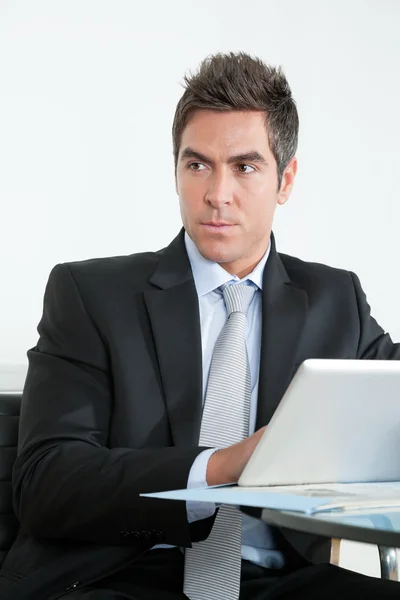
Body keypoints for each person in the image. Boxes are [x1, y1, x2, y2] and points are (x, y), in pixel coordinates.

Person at [1, 51, 400, 600]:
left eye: (245, 166)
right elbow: (45, 482)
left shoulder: (336, 301)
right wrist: (220, 466)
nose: (217, 194)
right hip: (119, 576)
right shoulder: (90, 296)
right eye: (197, 165)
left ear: (286, 179)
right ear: (176, 171)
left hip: (279, 581)